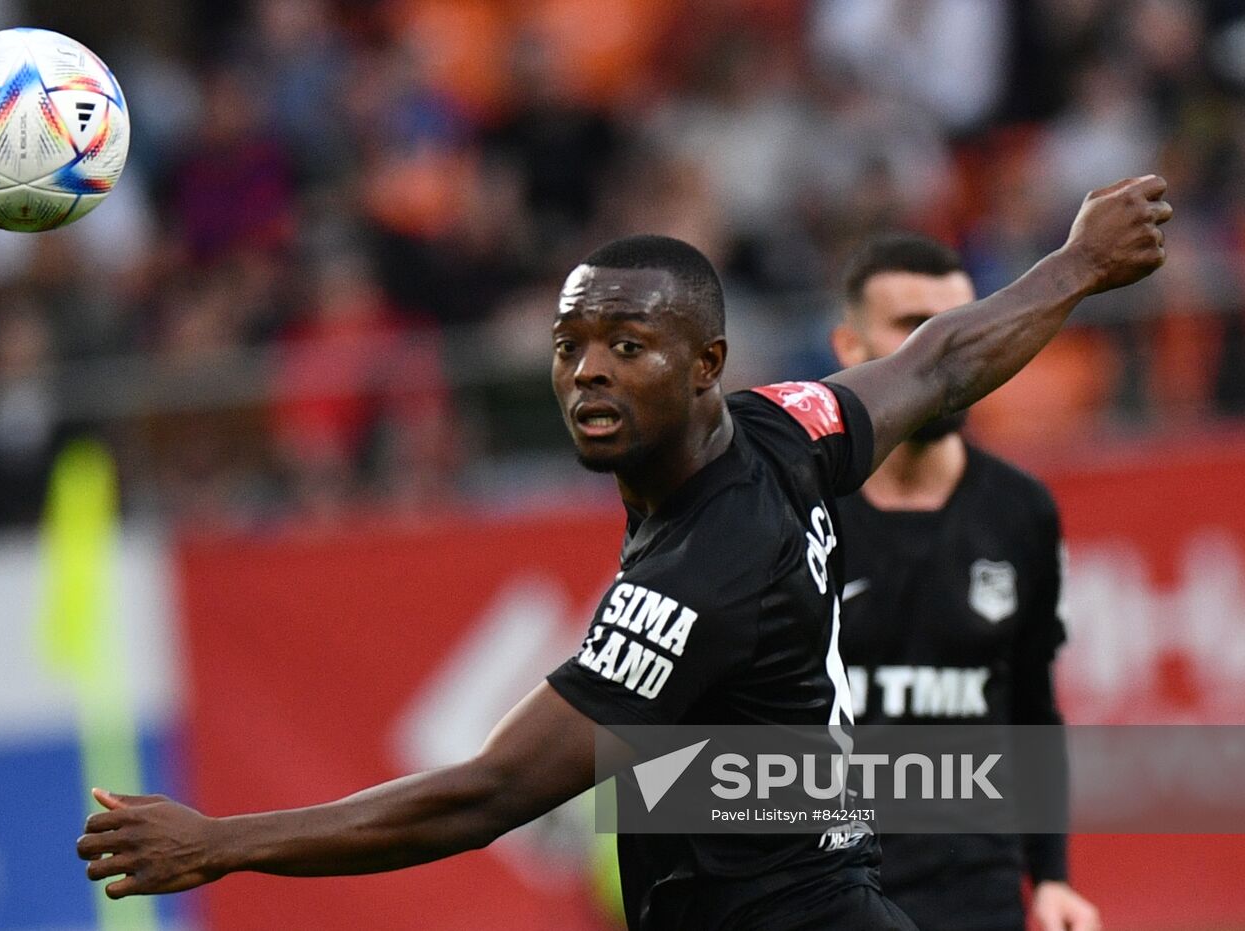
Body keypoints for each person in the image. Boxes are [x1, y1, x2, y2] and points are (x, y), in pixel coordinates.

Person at [77, 176, 1170, 930]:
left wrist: (222, 842)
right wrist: (1074, 263)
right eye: (570, 346)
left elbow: (485, 792)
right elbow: (936, 363)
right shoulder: (784, 431)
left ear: (704, 365)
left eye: (627, 347)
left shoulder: (697, 574)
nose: (587, 373)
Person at [831, 233, 1100, 931]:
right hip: (824, 890)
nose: (947, 351)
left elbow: (1033, 706)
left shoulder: (1021, 510)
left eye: (963, 327)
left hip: (974, 894)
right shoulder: (799, 511)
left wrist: (1051, 877)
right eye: (914, 329)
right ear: (850, 348)